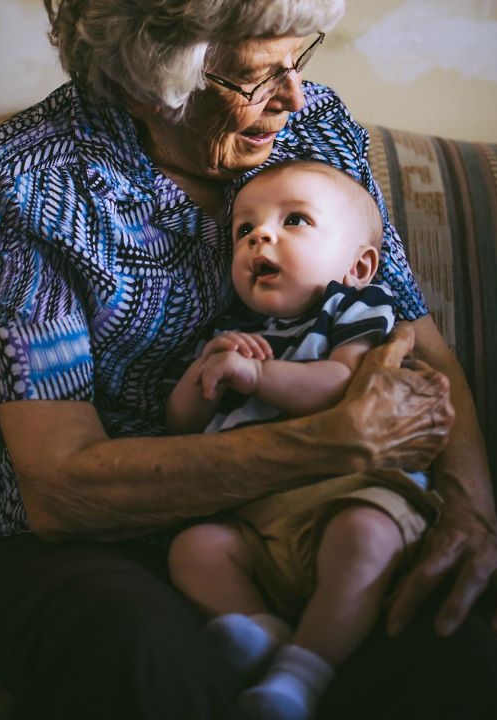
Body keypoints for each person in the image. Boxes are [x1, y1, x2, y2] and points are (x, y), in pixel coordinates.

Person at [0, 0, 497, 720]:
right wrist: (330, 442)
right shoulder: (34, 179)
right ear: (152, 72)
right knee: (155, 666)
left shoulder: (315, 124)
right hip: (96, 549)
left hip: (312, 521)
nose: (292, 96)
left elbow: (416, 340)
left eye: (301, 60)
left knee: (463, 651)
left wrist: (470, 520)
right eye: (255, 75)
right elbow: (61, 487)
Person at [166, 160, 443, 719]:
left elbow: (342, 385)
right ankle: (265, 636)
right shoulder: (230, 333)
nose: (259, 236)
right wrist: (206, 373)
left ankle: (303, 673)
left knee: (365, 534)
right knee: (194, 549)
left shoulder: (355, 309)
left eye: (294, 220)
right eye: (245, 230)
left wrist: (256, 377)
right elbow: (181, 425)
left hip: (349, 493)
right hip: (256, 514)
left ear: (358, 264)